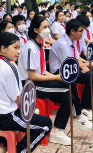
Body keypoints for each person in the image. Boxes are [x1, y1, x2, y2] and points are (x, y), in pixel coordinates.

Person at [0, 32, 52, 153]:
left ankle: (1, 147)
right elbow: (18, 99)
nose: (19, 52)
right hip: (3, 118)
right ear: (4, 48)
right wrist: (32, 109)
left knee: (11, 108)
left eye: (19, 48)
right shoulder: (9, 67)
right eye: (16, 48)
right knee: (45, 125)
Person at [19, 15, 88, 145]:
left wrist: (57, 77)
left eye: (48, 27)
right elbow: (33, 76)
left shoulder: (39, 46)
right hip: (30, 85)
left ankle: (58, 130)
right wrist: (56, 77)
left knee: (68, 95)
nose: (48, 30)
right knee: (68, 88)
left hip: (39, 81)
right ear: (35, 30)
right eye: (44, 27)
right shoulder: (30, 48)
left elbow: (43, 71)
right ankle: (74, 117)